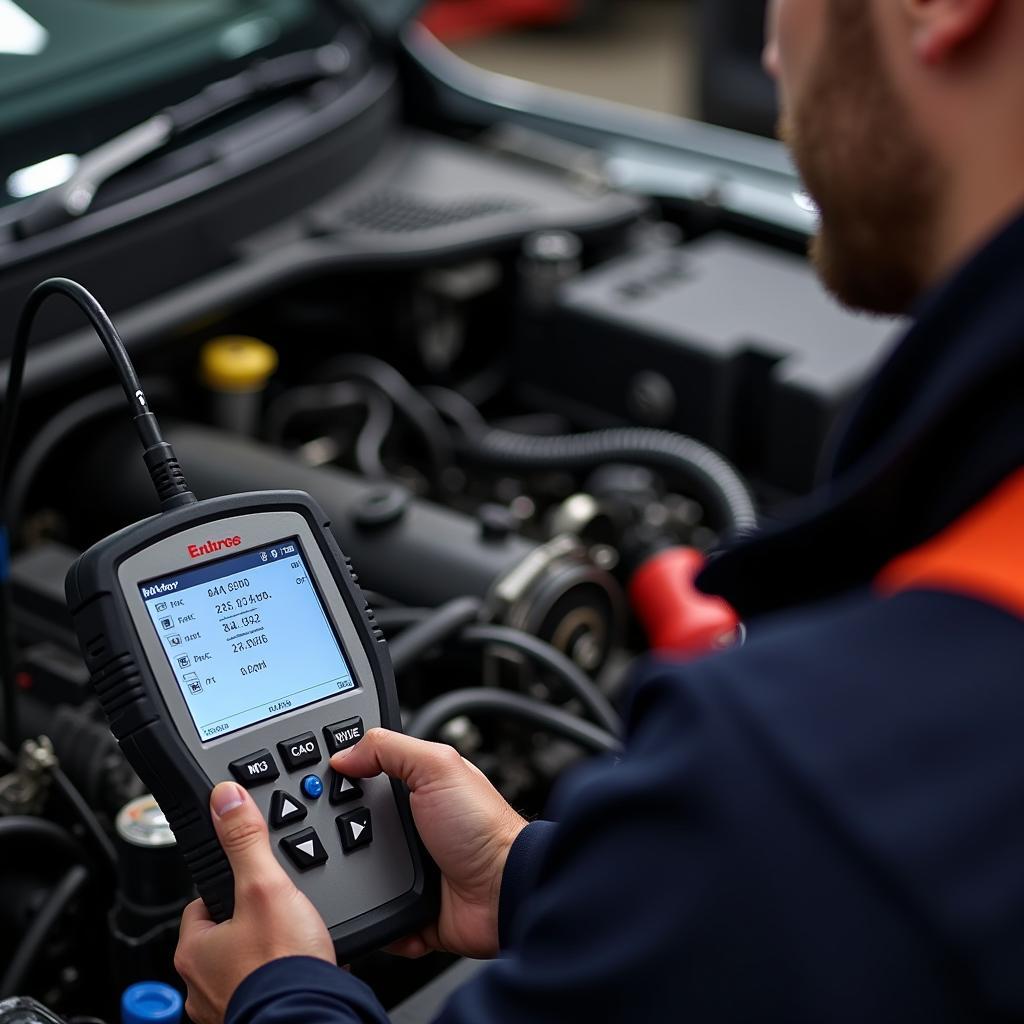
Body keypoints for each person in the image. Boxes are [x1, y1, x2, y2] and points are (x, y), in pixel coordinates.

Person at [175, 0, 1024, 1019]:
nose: (765, 50)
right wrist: (535, 874)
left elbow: (816, 864)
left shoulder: (815, 782)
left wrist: (277, 995)